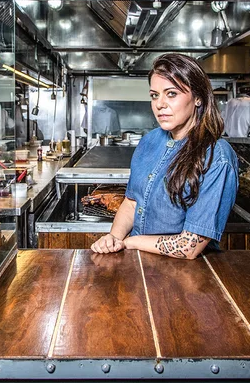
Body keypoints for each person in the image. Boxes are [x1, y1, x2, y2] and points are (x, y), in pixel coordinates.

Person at [91, 53, 238, 259]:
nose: (160, 104)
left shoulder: (217, 157)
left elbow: (189, 246)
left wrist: (129, 242)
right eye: (154, 95)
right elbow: (133, 202)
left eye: (171, 94)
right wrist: (114, 237)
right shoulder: (150, 141)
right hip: (137, 265)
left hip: (184, 277)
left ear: (198, 98)